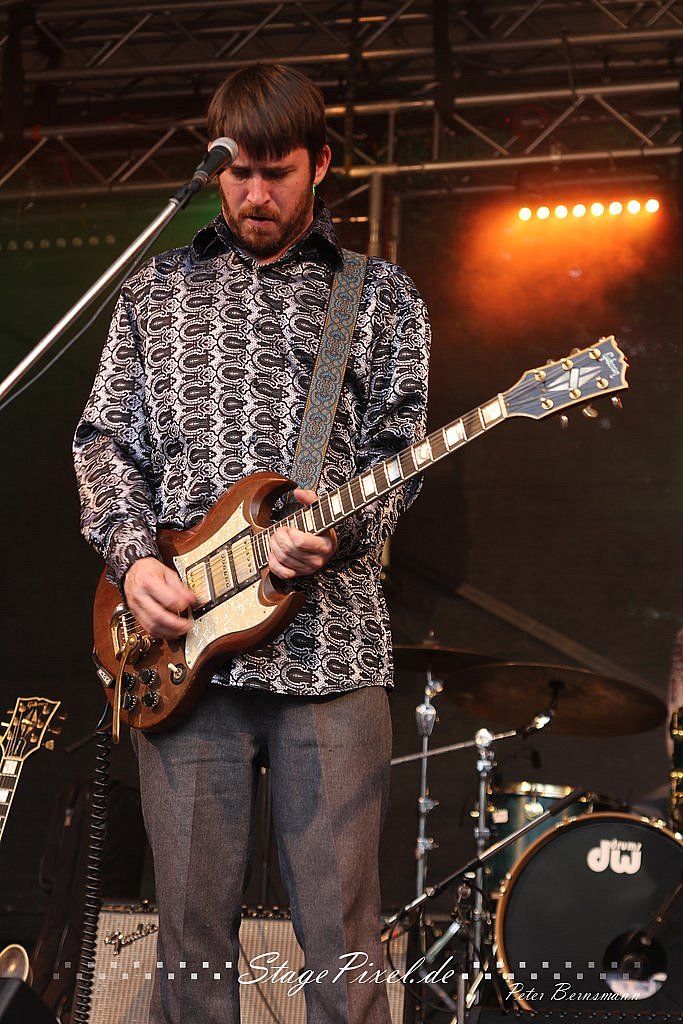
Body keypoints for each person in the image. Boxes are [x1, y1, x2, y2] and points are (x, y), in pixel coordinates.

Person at [74, 62, 430, 1024]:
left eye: (278, 173)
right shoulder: (154, 292)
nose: (257, 195)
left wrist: (338, 532)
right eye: (239, 174)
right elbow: (104, 442)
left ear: (321, 164)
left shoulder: (379, 297)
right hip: (181, 655)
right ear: (215, 167)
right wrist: (135, 560)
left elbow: (401, 456)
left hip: (330, 652)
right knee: (189, 944)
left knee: (343, 940)